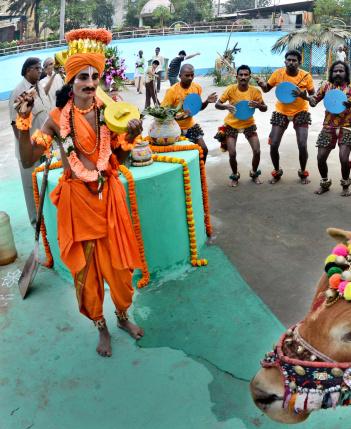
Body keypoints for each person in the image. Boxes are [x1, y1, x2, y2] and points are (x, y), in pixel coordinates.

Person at [14, 29, 144, 357]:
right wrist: (24, 120)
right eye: (82, 76)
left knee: (119, 271)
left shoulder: (111, 110)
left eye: (94, 76)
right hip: (77, 204)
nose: (89, 82)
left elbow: (120, 159)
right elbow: (30, 158)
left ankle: (123, 316)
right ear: (71, 81)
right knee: (86, 275)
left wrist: (130, 136)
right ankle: (101, 326)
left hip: (109, 199)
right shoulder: (58, 119)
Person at [298, 61, 351, 196]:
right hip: (328, 126)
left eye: (341, 71)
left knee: (344, 158)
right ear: (332, 73)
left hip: (347, 126)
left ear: (346, 73)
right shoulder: (326, 86)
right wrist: (304, 97)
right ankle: (325, 183)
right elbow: (314, 102)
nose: (338, 73)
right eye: (335, 71)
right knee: (321, 157)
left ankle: (345, 185)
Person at [257, 49, 315, 184]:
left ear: (299, 63)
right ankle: (277, 171)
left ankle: (303, 172)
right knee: (274, 144)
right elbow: (266, 89)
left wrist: (303, 95)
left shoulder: (306, 76)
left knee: (302, 144)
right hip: (281, 112)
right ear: (285, 61)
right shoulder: (278, 74)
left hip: (301, 112)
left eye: (294, 60)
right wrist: (261, 84)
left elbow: (313, 99)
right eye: (288, 60)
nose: (291, 62)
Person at [9, 57, 52, 228]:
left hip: (42, 147)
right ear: (27, 70)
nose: (40, 70)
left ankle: (48, 220)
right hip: (29, 152)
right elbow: (15, 125)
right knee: (32, 189)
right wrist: (27, 149)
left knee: (44, 186)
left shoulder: (39, 87)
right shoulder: (19, 92)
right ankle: (37, 225)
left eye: (41, 67)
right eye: (37, 68)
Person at [214, 64, 267, 186]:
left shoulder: (255, 91)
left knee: (257, 151)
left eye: (246, 75)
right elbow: (217, 104)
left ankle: (254, 173)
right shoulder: (230, 89)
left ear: (249, 77)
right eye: (241, 75)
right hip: (231, 125)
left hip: (249, 124)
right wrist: (225, 106)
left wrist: (258, 105)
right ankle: (235, 176)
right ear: (236, 76)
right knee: (232, 153)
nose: (243, 77)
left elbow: (265, 108)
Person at [161, 63, 217, 162]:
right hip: (174, 129)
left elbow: (197, 108)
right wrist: (180, 116)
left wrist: (207, 102)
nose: (190, 78)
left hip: (191, 126)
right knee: (183, 156)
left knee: (203, 150)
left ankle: (200, 175)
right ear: (180, 76)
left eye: (192, 75)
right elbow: (163, 114)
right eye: (187, 75)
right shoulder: (172, 91)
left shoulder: (197, 88)